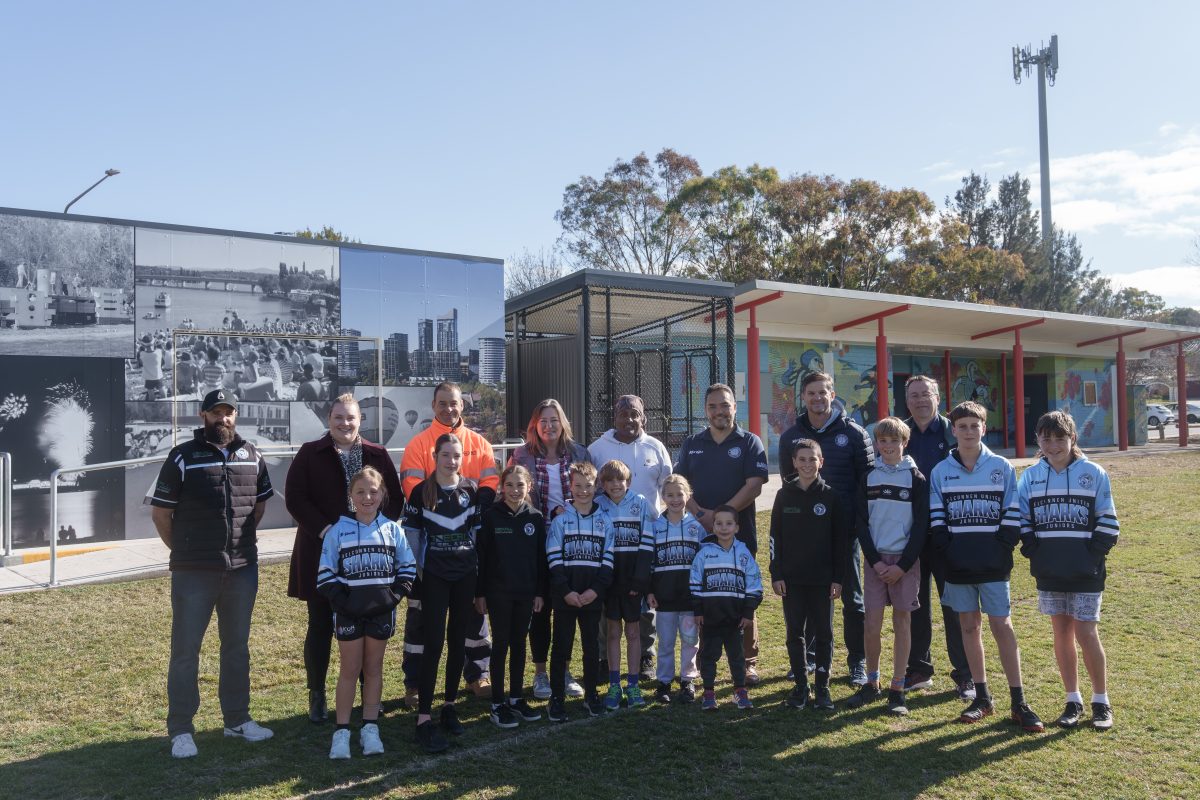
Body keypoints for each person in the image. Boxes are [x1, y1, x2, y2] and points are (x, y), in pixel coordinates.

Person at [148, 389, 275, 759]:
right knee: (185, 652)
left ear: (236, 416)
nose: (224, 419)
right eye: (216, 412)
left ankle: (237, 720)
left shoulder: (253, 455)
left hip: (241, 569)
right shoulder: (182, 456)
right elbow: (161, 515)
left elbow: (258, 508)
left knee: (236, 648)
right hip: (193, 571)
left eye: (229, 412)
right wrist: (185, 551)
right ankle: (181, 730)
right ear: (203, 416)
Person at [285, 394, 404, 723]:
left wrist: (375, 534)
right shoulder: (310, 453)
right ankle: (317, 695)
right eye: (338, 417)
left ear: (360, 420)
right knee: (320, 625)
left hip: (369, 559)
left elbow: (394, 499)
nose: (344, 423)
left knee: (368, 626)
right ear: (329, 418)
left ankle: (369, 696)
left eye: (350, 418)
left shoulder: (377, 454)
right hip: (321, 552)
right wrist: (325, 531)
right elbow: (295, 497)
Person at [930, 401, 1044, 733]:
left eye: (974, 425)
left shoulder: (1002, 467)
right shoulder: (941, 471)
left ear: (984, 427)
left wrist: (1002, 548)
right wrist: (948, 551)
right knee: (968, 626)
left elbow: (1012, 513)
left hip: (993, 563)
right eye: (961, 426)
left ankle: (1019, 701)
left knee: (1002, 626)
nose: (968, 431)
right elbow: (937, 520)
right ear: (953, 430)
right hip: (958, 565)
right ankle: (981, 697)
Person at [1018, 411, 1119, 730]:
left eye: (1059, 438)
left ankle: (1101, 702)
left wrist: (1091, 558)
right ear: (1038, 440)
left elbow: (1108, 521)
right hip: (1049, 571)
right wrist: (1035, 552)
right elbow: (1023, 521)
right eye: (1045, 438)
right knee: (1060, 633)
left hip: (1086, 571)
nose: (1052, 444)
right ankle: (1072, 700)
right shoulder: (1031, 477)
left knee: (1086, 632)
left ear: (1072, 438)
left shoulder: (1094, 472)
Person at [400, 382, 499, 705]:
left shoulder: (480, 442)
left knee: (473, 615)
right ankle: (415, 683)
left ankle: (477, 674)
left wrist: (473, 507)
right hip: (432, 547)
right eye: (443, 404)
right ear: (433, 405)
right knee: (421, 619)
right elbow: (412, 485)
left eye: (454, 403)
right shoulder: (418, 443)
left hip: (467, 544)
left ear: (462, 405)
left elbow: (490, 481)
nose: (449, 409)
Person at [778, 371, 874, 684]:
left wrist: (857, 524)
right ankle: (807, 660)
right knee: (808, 596)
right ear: (802, 398)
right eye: (811, 393)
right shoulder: (790, 437)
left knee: (852, 599)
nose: (817, 398)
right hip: (806, 537)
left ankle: (857, 662)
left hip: (845, 534)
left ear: (832, 395)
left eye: (823, 392)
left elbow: (867, 484)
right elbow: (788, 484)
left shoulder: (855, 434)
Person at [317, 467, 416, 759]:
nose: (367, 497)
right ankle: (342, 731)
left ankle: (370, 728)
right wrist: (344, 602)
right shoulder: (338, 530)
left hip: (381, 613)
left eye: (373, 491)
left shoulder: (393, 529)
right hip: (349, 613)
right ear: (351, 496)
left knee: (373, 670)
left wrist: (392, 597)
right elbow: (324, 574)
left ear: (383, 494)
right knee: (349, 670)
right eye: (360, 492)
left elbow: (407, 568)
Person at [674, 383, 767, 682]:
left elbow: (754, 485)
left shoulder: (750, 442)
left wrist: (721, 515)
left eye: (725, 405)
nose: (719, 411)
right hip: (702, 534)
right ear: (706, 410)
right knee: (706, 592)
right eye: (713, 406)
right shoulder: (692, 443)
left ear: (734, 407)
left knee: (744, 592)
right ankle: (703, 658)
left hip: (739, 534)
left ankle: (748, 660)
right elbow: (679, 483)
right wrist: (701, 515)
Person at [402, 433, 484, 754]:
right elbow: (412, 537)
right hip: (435, 579)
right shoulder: (421, 492)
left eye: (457, 455)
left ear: (463, 457)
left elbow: (476, 536)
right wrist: (422, 574)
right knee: (433, 644)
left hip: (464, 578)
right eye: (446, 455)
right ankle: (424, 716)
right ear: (435, 456)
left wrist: (475, 576)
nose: (452, 460)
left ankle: (449, 706)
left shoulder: (472, 491)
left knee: (457, 642)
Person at [507, 398, 591, 699]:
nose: (549, 426)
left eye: (554, 420)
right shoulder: (522, 455)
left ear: (563, 422)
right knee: (540, 609)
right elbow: (511, 497)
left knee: (567, 610)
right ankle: (541, 674)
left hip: (574, 544)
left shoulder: (580, 452)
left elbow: (589, 493)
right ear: (535, 425)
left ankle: (564, 670)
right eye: (543, 421)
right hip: (537, 543)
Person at [847, 417, 927, 716]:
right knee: (872, 624)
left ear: (904, 443)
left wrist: (903, 565)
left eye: (895, 441)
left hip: (904, 564)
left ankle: (897, 687)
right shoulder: (868, 477)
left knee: (902, 624)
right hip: (876, 562)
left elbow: (921, 526)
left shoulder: (915, 477)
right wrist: (876, 560)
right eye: (883, 441)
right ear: (876, 444)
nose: (888, 446)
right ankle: (872, 682)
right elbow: (861, 523)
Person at [588, 395, 672, 678]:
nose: (629, 419)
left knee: (645, 601)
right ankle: (603, 659)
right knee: (605, 605)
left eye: (635, 414)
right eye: (623, 414)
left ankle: (646, 655)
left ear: (644, 417)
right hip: (607, 543)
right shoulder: (597, 449)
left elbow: (668, 486)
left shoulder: (656, 447)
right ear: (614, 417)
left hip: (644, 540)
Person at [901, 375, 973, 701]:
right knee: (915, 603)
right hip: (911, 534)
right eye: (913, 396)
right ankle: (919, 669)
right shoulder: (898, 433)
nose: (919, 401)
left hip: (950, 534)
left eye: (925, 394)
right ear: (907, 401)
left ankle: (965, 674)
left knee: (954, 604)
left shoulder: (954, 431)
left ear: (938, 397)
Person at [770, 439, 846, 712]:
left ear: (821, 462)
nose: (806, 464)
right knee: (795, 633)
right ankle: (801, 686)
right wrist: (776, 573)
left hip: (823, 581)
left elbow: (840, 542)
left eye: (812, 459)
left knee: (824, 633)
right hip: (791, 580)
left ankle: (823, 688)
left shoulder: (831, 496)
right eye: (801, 459)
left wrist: (838, 578)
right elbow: (774, 538)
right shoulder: (784, 495)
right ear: (794, 462)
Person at [474, 464, 547, 729]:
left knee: (519, 644)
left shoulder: (535, 518)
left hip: (526, 592)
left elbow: (541, 560)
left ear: (529, 486)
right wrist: (480, 593)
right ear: (501, 487)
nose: (515, 490)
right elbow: (481, 557)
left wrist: (540, 592)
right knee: (501, 644)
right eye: (509, 485)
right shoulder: (491, 517)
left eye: (520, 485)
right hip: (498, 593)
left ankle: (516, 698)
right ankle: (497, 703)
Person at [545, 461, 615, 722]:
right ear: (570, 486)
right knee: (561, 647)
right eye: (578, 486)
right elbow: (553, 558)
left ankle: (591, 695)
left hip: (591, 596)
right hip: (565, 596)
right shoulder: (561, 520)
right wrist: (565, 591)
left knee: (591, 647)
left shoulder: (605, 521)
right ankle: (556, 698)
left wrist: (595, 591)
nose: (583, 491)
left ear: (596, 486)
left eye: (588, 486)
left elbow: (608, 561)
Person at [595, 459, 655, 711]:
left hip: (633, 580)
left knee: (633, 632)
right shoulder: (598, 505)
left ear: (628, 482)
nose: (615, 484)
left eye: (620, 480)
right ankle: (613, 684)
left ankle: (632, 684)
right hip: (609, 580)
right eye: (609, 480)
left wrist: (641, 580)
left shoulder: (640, 503)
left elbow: (648, 542)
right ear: (602, 484)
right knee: (612, 632)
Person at [691, 506, 762, 711]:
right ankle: (709, 693)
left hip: (735, 617)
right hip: (711, 617)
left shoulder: (743, 553)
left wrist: (748, 611)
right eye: (719, 523)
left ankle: (740, 691)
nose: (724, 528)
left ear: (737, 527)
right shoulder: (704, 553)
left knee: (737, 657)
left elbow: (755, 584)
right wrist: (698, 610)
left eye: (729, 523)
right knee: (709, 656)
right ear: (712, 527)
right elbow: (694, 582)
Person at [647, 474, 704, 704]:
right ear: (662, 497)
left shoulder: (696, 528)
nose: (675, 499)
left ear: (688, 496)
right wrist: (650, 590)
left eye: (679, 494)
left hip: (689, 598)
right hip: (665, 597)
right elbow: (649, 563)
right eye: (669, 495)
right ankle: (663, 682)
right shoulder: (655, 527)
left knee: (690, 640)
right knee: (666, 641)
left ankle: (688, 680)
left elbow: (701, 563)